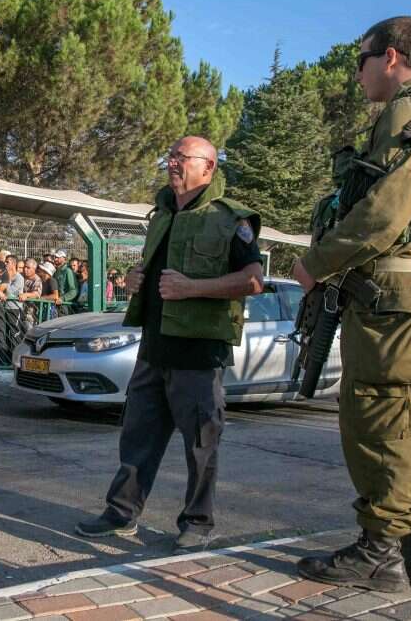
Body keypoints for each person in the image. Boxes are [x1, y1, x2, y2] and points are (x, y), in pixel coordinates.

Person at [293, 17, 411, 592]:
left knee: (379, 419)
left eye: (360, 60)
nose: (357, 73)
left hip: (391, 300)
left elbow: (385, 212)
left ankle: (379, 551)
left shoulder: (409, 112)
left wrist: (315, 262)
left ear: (389, 57)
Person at [76, 135, 262, 556]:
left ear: (208, 167)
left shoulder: (231, 219)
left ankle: (198, 522)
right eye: (171, 156)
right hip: (153, 347)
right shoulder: (161, 214)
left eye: (183, 157)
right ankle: (121, 512)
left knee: (201, 444)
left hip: (199, 353)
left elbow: (253, 280)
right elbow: (151, 271)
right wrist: (132, 279)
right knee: (137, 437)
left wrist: (193, 288)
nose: (172, 163)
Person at [18, 257, 43, 334]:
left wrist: (26, 295)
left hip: (29, 314)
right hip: (18, 311)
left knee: (28, 334)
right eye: (25, 267)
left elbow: (37, 294)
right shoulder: (21, 276)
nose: (25, 269)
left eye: (28, 268)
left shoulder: (37, 279)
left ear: (34, 269)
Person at [51, 250, 79, 315]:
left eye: (57, 257)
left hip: (66, 306)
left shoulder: (68, 271)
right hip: (56, 305)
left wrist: (62, 298)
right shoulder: (56, 272)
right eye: (55, 257)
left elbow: (74, 290)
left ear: (64, 258)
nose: (55, 259)